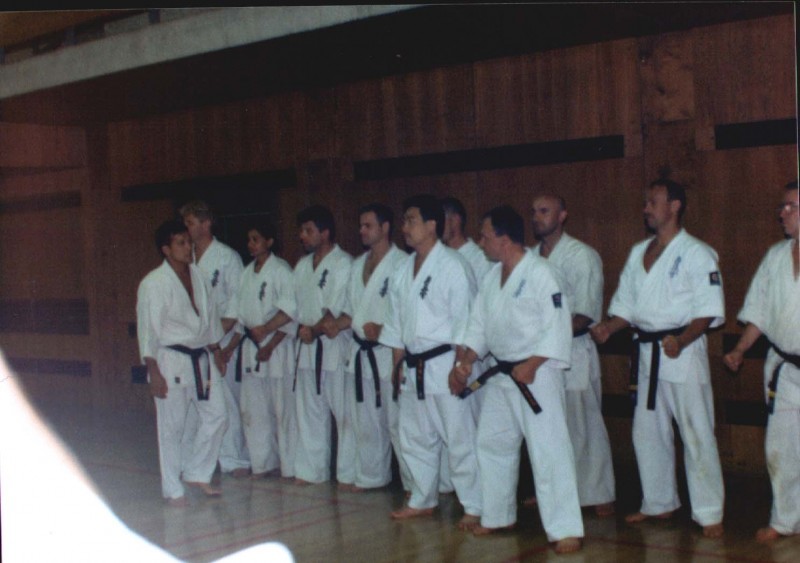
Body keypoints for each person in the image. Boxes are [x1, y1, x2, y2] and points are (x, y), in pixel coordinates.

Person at [591, 177, 725, 538]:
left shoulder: (698, 253)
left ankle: (709, 511)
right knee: (647, 431)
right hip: (648, 352)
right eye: (646, 202)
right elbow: (627, 305)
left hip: (683, 351)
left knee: (696, 430)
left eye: (653, 202)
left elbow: (707, 310)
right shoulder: (639, 252)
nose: (646, 209)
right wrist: (608, 328)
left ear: (675, 206)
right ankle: (659, 502)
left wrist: (682, 340)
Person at [453, 205, 583, 553]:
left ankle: (565, 529)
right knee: (492, 443)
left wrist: (534, 363)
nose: (481, 242)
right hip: (502, 375)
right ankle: (497, 516)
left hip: (536, 375)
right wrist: (465, 362)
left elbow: (558, 326)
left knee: (548, 450)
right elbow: (478, 326)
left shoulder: (542, 274)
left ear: (504, 239)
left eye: (485, 236)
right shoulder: (491, 278)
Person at [379, 194, 482, 529]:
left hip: (444, 363)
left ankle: (475, 504)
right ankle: (423, 499)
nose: (404, 227)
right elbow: (395, 325)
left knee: (459, 437)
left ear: (432, 225)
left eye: (411, 220)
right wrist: (397, 366)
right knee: (414, 436)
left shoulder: (453, 265)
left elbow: (466, 322)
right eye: (404, 221)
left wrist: (460, 368)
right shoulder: (402, 270)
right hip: (412, 367)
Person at [723, 180, 800, 542]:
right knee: (779, 448)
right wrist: (740, 349)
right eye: (781, 206)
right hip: (784, 367)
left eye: (791, 207)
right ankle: (784, 519)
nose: (782, 213)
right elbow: (759, 312)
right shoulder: (775, 256)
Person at [530, 194, 615, 517]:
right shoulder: (529, 258)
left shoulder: (582, 256)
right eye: (534, 212)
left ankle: (599, 493)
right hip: (541, 357)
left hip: (574, 351)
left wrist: (545, 336)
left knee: (584, 426)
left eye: (544, 211)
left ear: (562, 215)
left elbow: (585, 314)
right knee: (550, 428)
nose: (537, 217)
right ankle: (556, 490)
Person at [136, 220, 228, 505]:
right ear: (166, 249)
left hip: (201, 357)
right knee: (171, 428)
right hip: (170, 360)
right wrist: (153, 370)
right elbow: (148, 330)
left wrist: (217, 349)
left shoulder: (198, 276)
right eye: (181, 243)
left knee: (218, 414)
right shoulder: (154, 283)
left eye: (189, 242)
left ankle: (197, 471)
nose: (189, 247)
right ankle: (172, 488)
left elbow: (210, 318)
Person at [334, 204, 409, 491]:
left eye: (368, 225)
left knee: (397, 422)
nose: (362, 231)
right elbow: (352, 312)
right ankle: (371, 476)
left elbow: (408, 313)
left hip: (389, 352)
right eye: (361, 225)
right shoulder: (357, 265)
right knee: (365, 421)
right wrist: (333, 325)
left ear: (385, 227)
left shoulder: (402, 263)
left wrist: (383, 329)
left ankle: (414, 484)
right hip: (361, 353)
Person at [179, 200, 250, 478]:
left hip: (222, 340)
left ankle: (234, 460)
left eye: (190, 223)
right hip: (195, 343)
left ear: (206, 224)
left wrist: (216, 339)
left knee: (227, 402)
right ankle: (196, 461)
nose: (186, 228)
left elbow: (237, 302)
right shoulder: (186, 257)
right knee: (196, 404)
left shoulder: (227, 257)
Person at [292, 205, 355, 486]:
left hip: (333, 345)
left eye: (308, 230)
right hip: (307, 347)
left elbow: (335, 309)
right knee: (309, 412)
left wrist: (314, 330)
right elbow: (294, 306)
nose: (302, 236)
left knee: (344, 413)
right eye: (301, 231)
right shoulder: (302, 266)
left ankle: (348, 473)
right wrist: (304, 331)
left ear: (325, 232)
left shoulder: (343, 263)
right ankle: (311, 470)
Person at [230, 221, 298, 480]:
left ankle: (289, 466)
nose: (251, 244)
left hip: (277, 347)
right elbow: (240, 319)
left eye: (256, 239)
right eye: (249, 239)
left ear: (269, 241)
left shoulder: (281, 270)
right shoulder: (246, 274)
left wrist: (269, 341)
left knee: (283, 410)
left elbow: (290, 312)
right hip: (252, 349)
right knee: (254, 410)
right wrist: (228, 350)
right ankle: (263, 463)